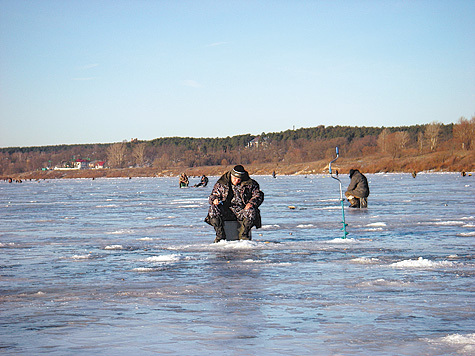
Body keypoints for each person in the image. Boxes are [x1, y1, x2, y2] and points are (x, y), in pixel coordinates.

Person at [205, 165, 264, 242]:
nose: (236, 181)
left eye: (239, 180)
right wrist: (215, 200)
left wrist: (251, 203)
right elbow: (213, 195)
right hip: (226, 211)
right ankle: (220, 236)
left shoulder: (251, 184)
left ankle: (244, 236)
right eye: (235, 179)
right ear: (231, 176)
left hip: (242, 211)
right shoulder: (222, 183)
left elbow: (258, 195)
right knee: (213, 209)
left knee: (251, 210)